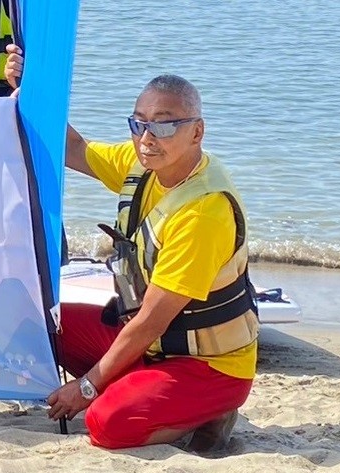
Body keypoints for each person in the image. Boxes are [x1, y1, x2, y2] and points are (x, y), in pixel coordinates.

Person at [46, 74, 258, 451]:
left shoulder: (203, 212)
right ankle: (143, 387)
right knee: (47, 326)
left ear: (196, 132)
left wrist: (87, 386)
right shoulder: (142, 161)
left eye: (163, 123)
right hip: (154, 347)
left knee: (106, 424)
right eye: (138, 122)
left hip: (209, 366)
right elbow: (75, 148)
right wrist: (33, 87)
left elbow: (151, 321)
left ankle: (209, 413)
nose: (147, 136)